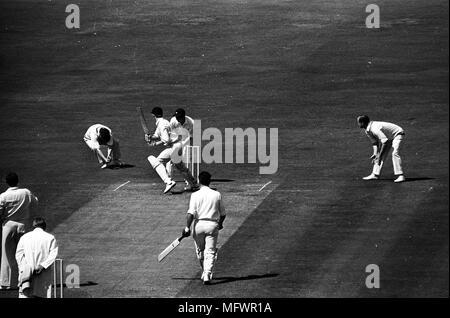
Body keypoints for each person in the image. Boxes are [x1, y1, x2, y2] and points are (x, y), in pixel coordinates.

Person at [181, 171, 226, 285]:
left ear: (199, 181)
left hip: (198, 225)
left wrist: (187, 227)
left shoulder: (195, 195)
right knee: (210, 251)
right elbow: (223, 214)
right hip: (212, 225)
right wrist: (220, 224)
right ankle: (207, 273)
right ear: (209, 182)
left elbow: (191, 213)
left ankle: (204, 271)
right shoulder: (217, 194)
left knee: (201, 251)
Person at [0, 172, 38, 289]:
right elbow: (35, 201)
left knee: (7, 254)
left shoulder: (3, 196)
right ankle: (26, 280)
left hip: (9, 225)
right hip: (24, 224)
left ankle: (7, 283)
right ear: (17, 181)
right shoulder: (26, 192)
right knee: (24, 253)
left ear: (7, 183)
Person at [15, 217, 58, 298]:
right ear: (44, 226)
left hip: (27, 274)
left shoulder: (25, 237)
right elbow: (53, 254)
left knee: (26, 294)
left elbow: (19, 254)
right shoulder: (50, 237)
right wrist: (42, 266)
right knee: (42, 294)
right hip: (43, 273)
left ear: (34, 226)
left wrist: (25, 268)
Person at [357, 115, 406, 183]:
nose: (358, 124)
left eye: (358, 122)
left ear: (362, 123)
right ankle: (375, 174)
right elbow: (375, 142)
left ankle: (400, 175)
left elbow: (384, 142)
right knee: (378, 156)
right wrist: (375, 154)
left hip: (397, 134)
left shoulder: (374, 128)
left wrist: (379, 156)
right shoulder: (367, 130)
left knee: (394, 153)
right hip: (388, 136)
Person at [145, 107, 178, 193]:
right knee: (169, 163)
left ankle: (168, 182)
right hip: (176, 147)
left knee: (154, 160)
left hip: (172, 148)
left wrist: (155, 144)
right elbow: (157, 135)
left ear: (153, 115)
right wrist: (150, 137)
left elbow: (165, 140)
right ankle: (192, 184)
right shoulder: (163, 122)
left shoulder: (162, 124)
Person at [168, 108, 199, 192]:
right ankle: (169, 181)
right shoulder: (173, 121)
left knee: (186, 161)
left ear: (184, 116)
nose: (177, 119)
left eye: (179, 117)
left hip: (186, 141)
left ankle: (189, 182)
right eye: (176, 117)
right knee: (172, 160)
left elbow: (192, 136)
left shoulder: (191, 122)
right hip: (176, 141)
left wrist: (187, 146)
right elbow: (171, 134)